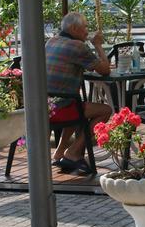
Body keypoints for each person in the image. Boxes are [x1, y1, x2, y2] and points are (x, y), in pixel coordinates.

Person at [46, 12, 111, 174]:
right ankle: (73, 152)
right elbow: (105, 70)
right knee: (105, 110)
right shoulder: (77, 46)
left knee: (77, 104)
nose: (87, 31)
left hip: (44, 106)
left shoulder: (50, 42)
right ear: (74, 28)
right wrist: (97, 45)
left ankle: (60, 151)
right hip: (59, 109)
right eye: (85, 27)